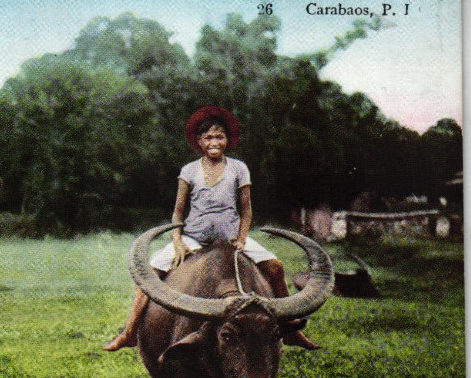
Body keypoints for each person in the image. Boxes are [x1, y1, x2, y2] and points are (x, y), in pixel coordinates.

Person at [104, 105, 320, 352]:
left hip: (230, 236)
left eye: (219, 136)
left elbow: (246, 210)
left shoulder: (239, 168)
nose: (214, 142)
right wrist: (177, 240)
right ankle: (130, 332)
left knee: (275, 267)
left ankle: (289, 329)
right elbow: (178, 211)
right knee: (150, 273)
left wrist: (241, 238)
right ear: (199, 142)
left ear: (227, 140)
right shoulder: (189, 170)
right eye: (208, 137)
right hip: (195, 236)